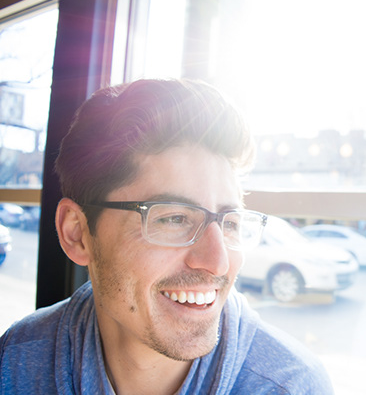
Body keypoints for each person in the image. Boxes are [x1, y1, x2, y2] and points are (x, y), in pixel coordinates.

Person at [0, 79, 333, 394]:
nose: (218, 262)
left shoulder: (289, 386)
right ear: (77, 233)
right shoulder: (17, 363)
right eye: (174, 218)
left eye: (230, 223)